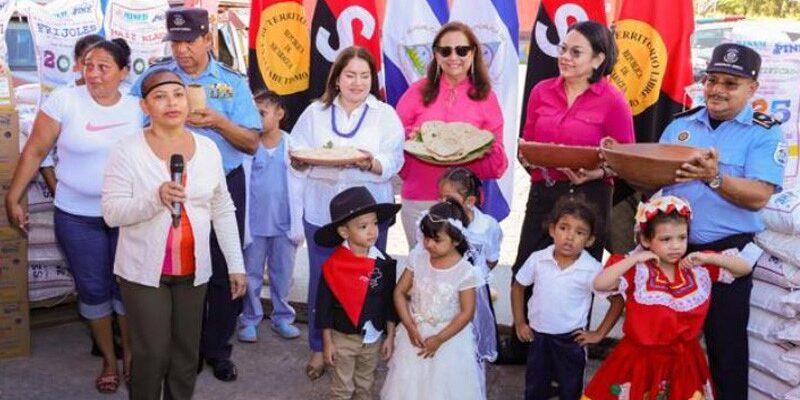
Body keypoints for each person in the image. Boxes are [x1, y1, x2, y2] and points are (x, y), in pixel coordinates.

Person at [132, 6, 261, 381]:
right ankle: (177, 346)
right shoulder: (158, 78)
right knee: (172, 265)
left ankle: (217, 348)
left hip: (222, 185)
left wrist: (219, 122)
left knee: (222, 270)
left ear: (207, 38)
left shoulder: (231, 82)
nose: (183, 50)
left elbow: (251, 143)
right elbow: (137, 129)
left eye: (190, 41)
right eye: (176, 42)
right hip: (169, 185)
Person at [4, 38, 140, 394]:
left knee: (127, 288)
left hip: (127, 216)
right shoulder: (64, 100)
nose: (92, 74)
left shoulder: (138, 108)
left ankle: (133, 359)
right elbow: (35, 150)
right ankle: (110, 361)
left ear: (124, 73)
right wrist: (13, 196)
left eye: (103, 67)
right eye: (88, 65)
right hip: (77, 216)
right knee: (93, 290)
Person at [102, 69, 246, 400]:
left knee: (185, 356)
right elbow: (112, 214)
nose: (172, 103)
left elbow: (221, 208)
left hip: (194, 273)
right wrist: (156, 198)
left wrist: (236, 264)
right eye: (160, 97)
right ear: (144, 106)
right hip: (143, 273)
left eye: (178, 95)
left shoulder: (208, 149)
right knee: (151, 354)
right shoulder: (126, 150)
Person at [503, 20, 634, 364]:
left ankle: (570, 353)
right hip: (545, 191)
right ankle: (522, 346)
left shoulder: (613, 101)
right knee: (529, 264)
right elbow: (527, 143)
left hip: (590, 196)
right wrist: (531, 156)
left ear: (598, 59)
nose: (565, 57)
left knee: (580, 275)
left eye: (576, 52)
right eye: (563, 49)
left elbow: (627, 160)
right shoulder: (541, 91)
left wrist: (596, 171)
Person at [657, 43, 784, 399]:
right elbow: (652, 180)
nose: (716, 89)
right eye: (712, 79)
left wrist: (714, 177)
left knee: (725, 350)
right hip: (673, 253)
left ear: (752, 89)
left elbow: (759, 195)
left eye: (730, 83)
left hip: (727, 257)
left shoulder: (764, 132)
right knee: (665, 347)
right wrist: (614, 163)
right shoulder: (680, 125)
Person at [289, 46, 404, 380]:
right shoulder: (315, 113)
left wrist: (370, 162)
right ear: (337, 78)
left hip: (370, 214)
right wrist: (298, 161)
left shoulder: (385, 114)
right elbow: (296, 151)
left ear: (373, 79)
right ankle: (317, 346)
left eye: (365, 76)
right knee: (322, 281)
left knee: (370, 282)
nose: (357, 82)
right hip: (321, 210)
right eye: (350, 75)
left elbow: (396, 160)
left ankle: (368, 347)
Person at [584, 196, 752, 399]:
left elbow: (744, 268)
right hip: (639, 361)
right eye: (666, 239)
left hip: (684, 362)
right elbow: (600, 283)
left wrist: (709, 257)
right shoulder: (638, 271)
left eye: (682, 238)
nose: (675, 246)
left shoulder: (697, 269)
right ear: (646, 240)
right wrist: (635, 258)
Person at [395, 21, 508, 249]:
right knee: (421, 272)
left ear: (473, 52)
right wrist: (413, 138)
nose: (453, 56)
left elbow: (497, 165)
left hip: (464, 204)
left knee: (463, 275)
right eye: (445, 50)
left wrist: (482, 148)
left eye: (462, 50)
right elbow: (392, 144)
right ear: (436, 54)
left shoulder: (486, 97)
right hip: (419, 199)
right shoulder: (416, 92)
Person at [512, 196, 623, 400]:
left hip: (571, 342)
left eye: (579, 232)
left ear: (589, 240)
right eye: (564, 228)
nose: (569, 237)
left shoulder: (592, 270)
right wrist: (520, 323)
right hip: (538, 337)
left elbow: (617, 301)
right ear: (553, 230)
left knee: (570, 391)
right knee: (535, 389)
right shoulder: (538, 259)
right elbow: (518, 287)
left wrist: (599, 334)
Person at [381, 200, 482, 400]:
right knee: (410, 384)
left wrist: (440, 338)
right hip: (415, 333)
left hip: (449, 339)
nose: (429, 244)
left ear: (455, 239)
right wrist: (409, 325)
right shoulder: (418, 259)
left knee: (444, 388)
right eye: (426, 238)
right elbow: (399, 292)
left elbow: (466, 313)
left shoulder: (465, 271)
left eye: (437, 240)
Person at [313, 187, 400, 400]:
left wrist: (390, 336)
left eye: (374, 224)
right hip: (342, 338)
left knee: (365, 384)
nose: (372, 231)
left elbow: (390, 302)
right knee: (342, 388)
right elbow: (323, 308)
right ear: (344, 232)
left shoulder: (384, 263)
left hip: (373, 338)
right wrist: (328, 342)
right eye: (363, 226)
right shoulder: (333, 266)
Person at [238, 90, 304, 342]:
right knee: (251, 275)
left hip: (284, 224)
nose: (256, 118)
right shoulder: (248, 146)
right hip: (254, 225)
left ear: (279, 114)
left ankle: (282, 317)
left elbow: (302, 181)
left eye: (262, 112)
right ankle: (250, 318)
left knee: (282, 275)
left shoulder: (294, 147)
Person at [438, 167, 501, 394]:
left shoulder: (488, 226)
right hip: (446, 291)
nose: (444, 203)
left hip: (475, 294)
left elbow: (492, 258)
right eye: (441, 197)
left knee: (473, 347)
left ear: (470, 200)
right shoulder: (439, 221)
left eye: (450, 199)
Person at [39, 33, 105, 194]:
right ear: (76, 62)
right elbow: (41, 154)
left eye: (101, 64)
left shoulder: (122, 97)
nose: (94, 70)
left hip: (114, 203)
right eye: (87, 62)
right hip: (72, 205)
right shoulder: (61, 98)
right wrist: (57, 193)